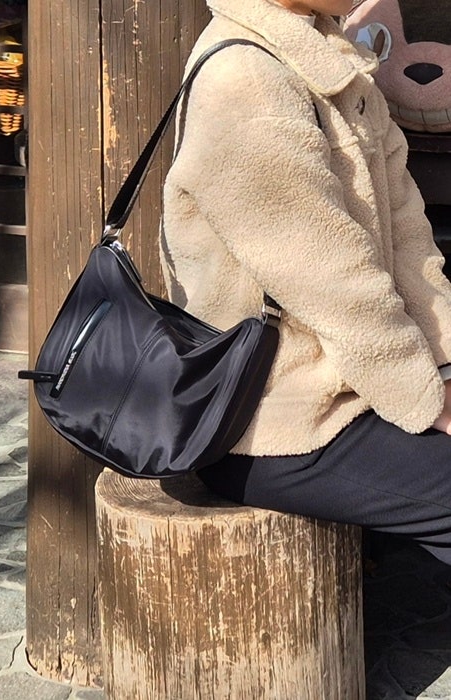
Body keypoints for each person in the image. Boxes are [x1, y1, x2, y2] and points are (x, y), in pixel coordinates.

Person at [160, 0, 451, 564]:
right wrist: (429, 400)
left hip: (360, 385)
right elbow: (332, 283)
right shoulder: (245, 79)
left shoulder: (333, 59)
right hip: (273, 417)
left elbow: (411, 241)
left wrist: (445, 367)